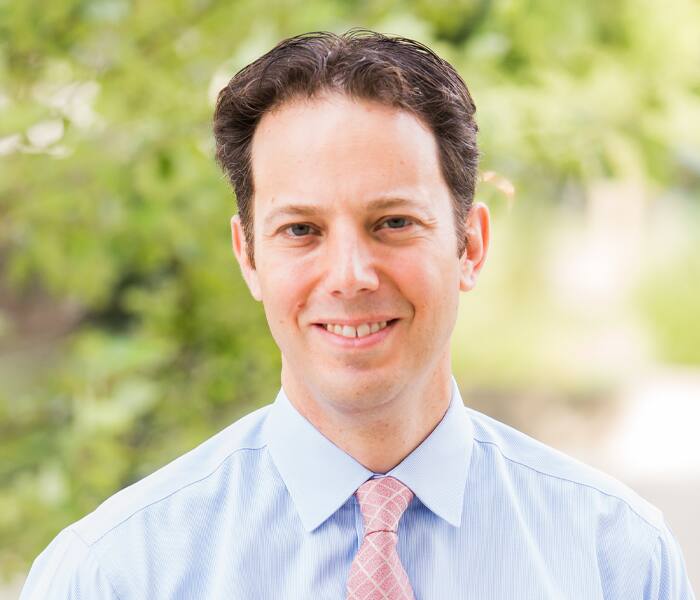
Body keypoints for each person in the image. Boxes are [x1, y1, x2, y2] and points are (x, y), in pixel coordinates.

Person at [21, 29, 694, 600]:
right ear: (248, 256)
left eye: (393, 222)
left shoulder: (615, 559)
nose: (350, 276)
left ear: (470, 245)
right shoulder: (115, 573)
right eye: (301, 230)